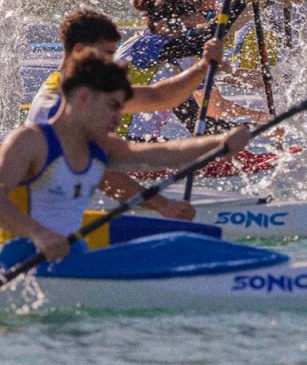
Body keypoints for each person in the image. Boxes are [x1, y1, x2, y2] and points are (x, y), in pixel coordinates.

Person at [0, 53, 251, 262]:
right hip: (19, 256)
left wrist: (220, 142)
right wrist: (38, 234)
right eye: (113, 105)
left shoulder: (101, 148)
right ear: (84, 97)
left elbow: (165, 155)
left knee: (193, 239)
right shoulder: (29, 142)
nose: (118, 118)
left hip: (71, 251)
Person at [26, 7, 224, 221]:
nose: (113, 61)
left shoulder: (80, 90)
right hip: (51, 218)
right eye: (108, 53)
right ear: (79, 50)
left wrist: (203, 66)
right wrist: (163, 205)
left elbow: (157, 97)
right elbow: (104, 176)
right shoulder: (58, 105)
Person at [119, 0, 268, 141]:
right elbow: (203, 39)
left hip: (138, 141)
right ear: (162, 25)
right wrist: (241, 0)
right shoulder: (145, 46)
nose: (188, 36)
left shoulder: (173, 63)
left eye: (191, 32)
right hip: (118, 140)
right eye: (187, 30)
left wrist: (254, 128)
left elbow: (195, 121)